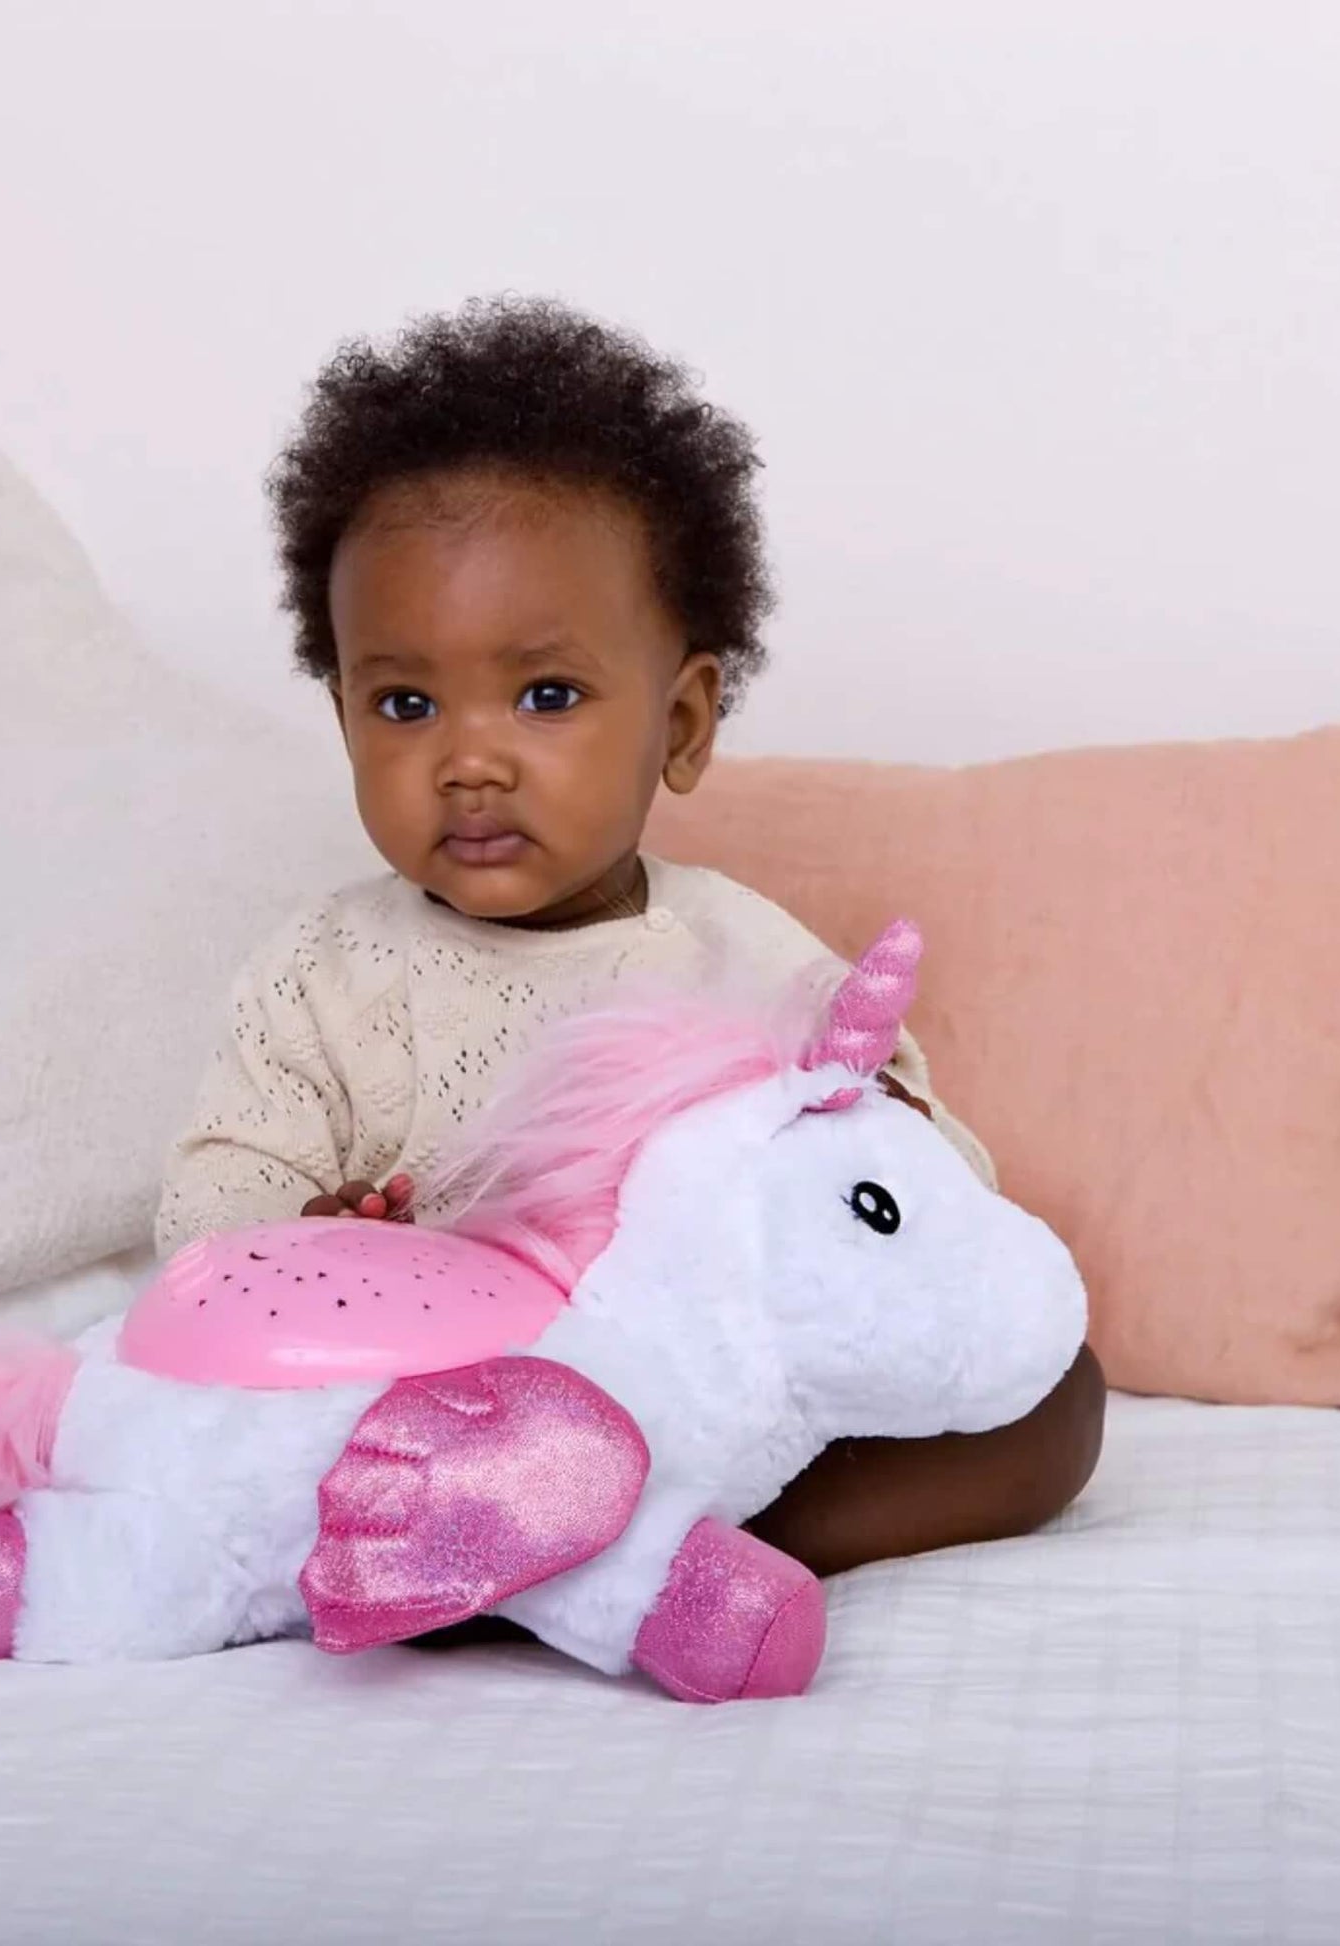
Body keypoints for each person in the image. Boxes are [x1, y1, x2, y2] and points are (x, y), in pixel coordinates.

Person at [158, 297, 1102, 1589]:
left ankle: (631, 1547)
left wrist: (870, 1125)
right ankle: (506, 1538)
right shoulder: (324, 973)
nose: (470, 757)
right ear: (341, 719)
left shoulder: (741, 959)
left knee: (1053, 1398)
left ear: (682, 722)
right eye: (404, 701)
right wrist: (311, 1239)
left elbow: (931, 1205)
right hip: (438, 1403)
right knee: (240, 1438)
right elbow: (210, 1212)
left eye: (546, 695)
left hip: (693, 1409)